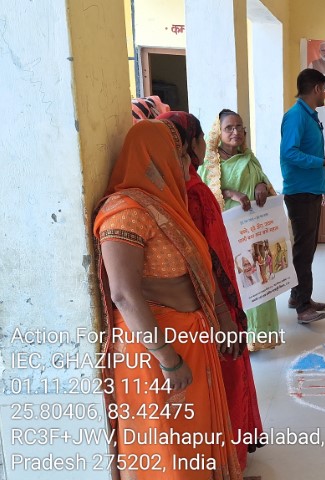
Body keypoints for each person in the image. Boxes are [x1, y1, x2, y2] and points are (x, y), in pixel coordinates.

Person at [92, 120, 242, 479]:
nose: (185, 163)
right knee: (166, 445)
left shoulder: (167, 208)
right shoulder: (125, 211)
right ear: (153, 158)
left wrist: (222, 318)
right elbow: (123, 294)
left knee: (193, 440)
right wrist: (168, 359)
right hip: (155, 352)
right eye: (178, 155)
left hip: (190, 341)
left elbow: (199, 270)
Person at [157, 110, 265, 468]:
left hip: (206, 296)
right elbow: (208, 256)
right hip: (213, 297)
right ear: (191, 144)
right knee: (225, 374)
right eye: (203, 137)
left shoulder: (172, 187)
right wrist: (224, 309)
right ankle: (227, 452)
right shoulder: (193, 193)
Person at [199, 109, 281, 351]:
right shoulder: (210, 163)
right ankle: (240, 335)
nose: (235, 132)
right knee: (238, 278)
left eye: (239, 127)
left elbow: (262, 180)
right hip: (228, 233)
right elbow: (204, 195)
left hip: (255, 229)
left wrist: (261, 185)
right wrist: (229, 193)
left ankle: (261, 334)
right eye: (229, 128)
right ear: (219, 132)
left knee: (260, 275)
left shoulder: (249, 158)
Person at [280, 68, 325, 324]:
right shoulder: (296, 116)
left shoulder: (309, 116)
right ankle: (303, 307)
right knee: (304, 251)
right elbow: (289, 153)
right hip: (300, 192)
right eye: (324, 89)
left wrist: (322, 185)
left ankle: (298, 296)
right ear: (316, 88)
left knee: (307, 248)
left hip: (311, 189)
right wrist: (323, 163)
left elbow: (309, 152)